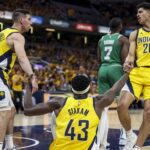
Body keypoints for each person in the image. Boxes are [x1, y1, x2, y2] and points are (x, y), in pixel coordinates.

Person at [24, 73, 130, 150]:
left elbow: (28, 110)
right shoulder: (97, 103)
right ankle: (102, 145)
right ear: (89, 89)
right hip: (88, 147)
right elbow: (114, 90)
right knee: (102, 114)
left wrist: (28, 86)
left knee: (54, 113)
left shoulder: (59, 102)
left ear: (72, 89)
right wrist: (127, 73)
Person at [0, 9, 38, 150]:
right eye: (29, 19)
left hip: (2, 77)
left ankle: (9, 145)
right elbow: (22, 59)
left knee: (11, 110)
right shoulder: (17, 36)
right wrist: (32, 77)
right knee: (4, 113)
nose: (31, 23)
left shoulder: (3, 33)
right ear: (22, 20)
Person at [117, 2, 150, 150]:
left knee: (148, 112)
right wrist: (127, 62)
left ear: (149, 13)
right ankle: (130, 135)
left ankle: (137, 147)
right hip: (137, 73)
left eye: (141, 12)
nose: (138, 14)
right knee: (121, 105)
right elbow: (131, 55)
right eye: (137, 12)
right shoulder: (135, 34)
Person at [97, 17, 129, 149]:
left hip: (103, 69)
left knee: (102, 107)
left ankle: (101, 141)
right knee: (122, 104)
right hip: (116, 69)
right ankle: (123, 136)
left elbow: (99, 58)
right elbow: (125, 60)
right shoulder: (122, 39)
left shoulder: (101, 39)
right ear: (120, 26)